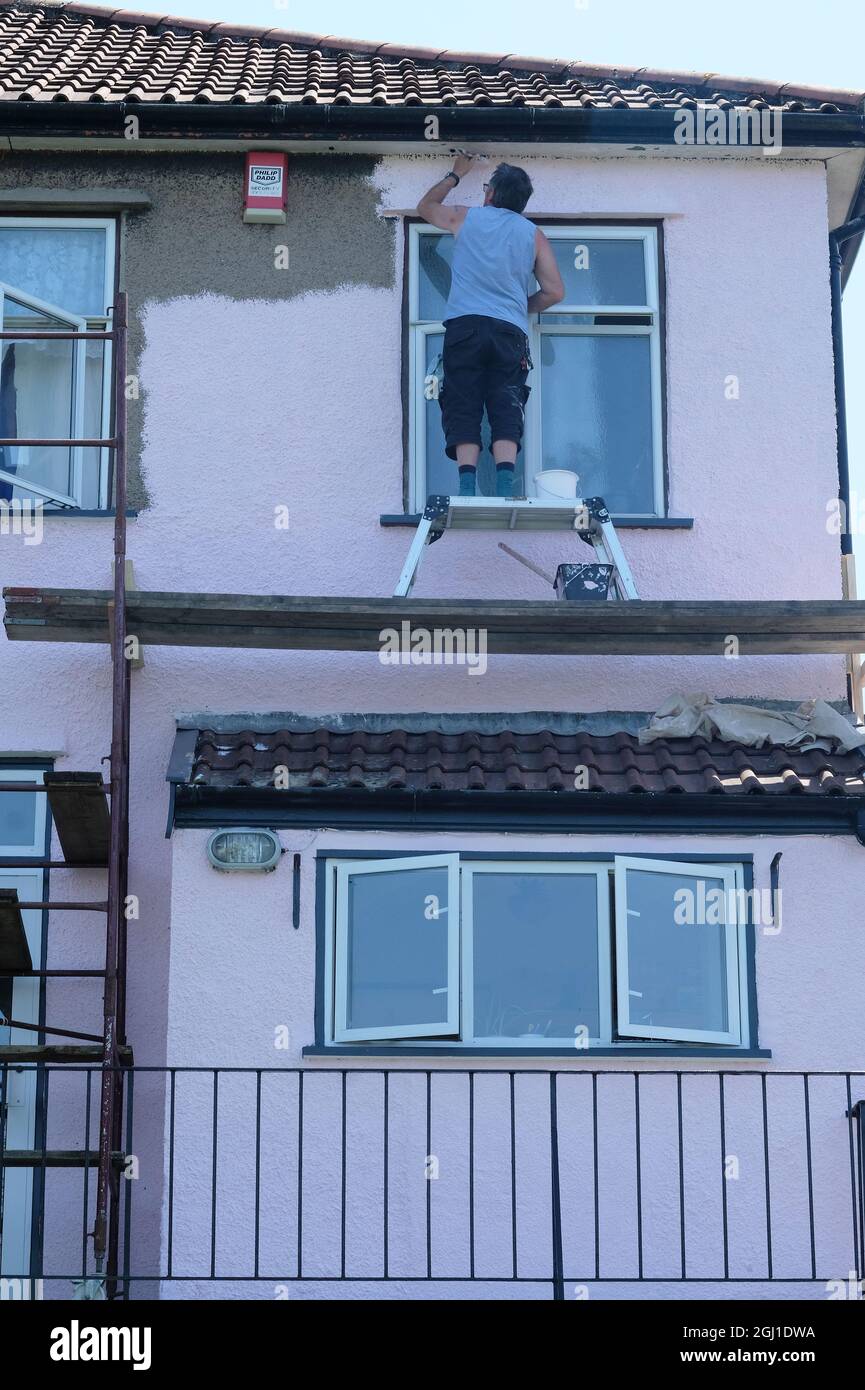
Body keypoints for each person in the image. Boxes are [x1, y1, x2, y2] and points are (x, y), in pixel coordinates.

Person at [417, 154, 565, 497]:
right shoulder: (533, 235)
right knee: (506, 402)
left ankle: (467, 486)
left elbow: (426, 206)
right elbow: (555, 291)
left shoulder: (466, 218)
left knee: (462, 400)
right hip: (508, 331)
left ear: (491, 193)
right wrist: (519, 307)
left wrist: (456, 174)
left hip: (464, 327)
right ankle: (502, 486)